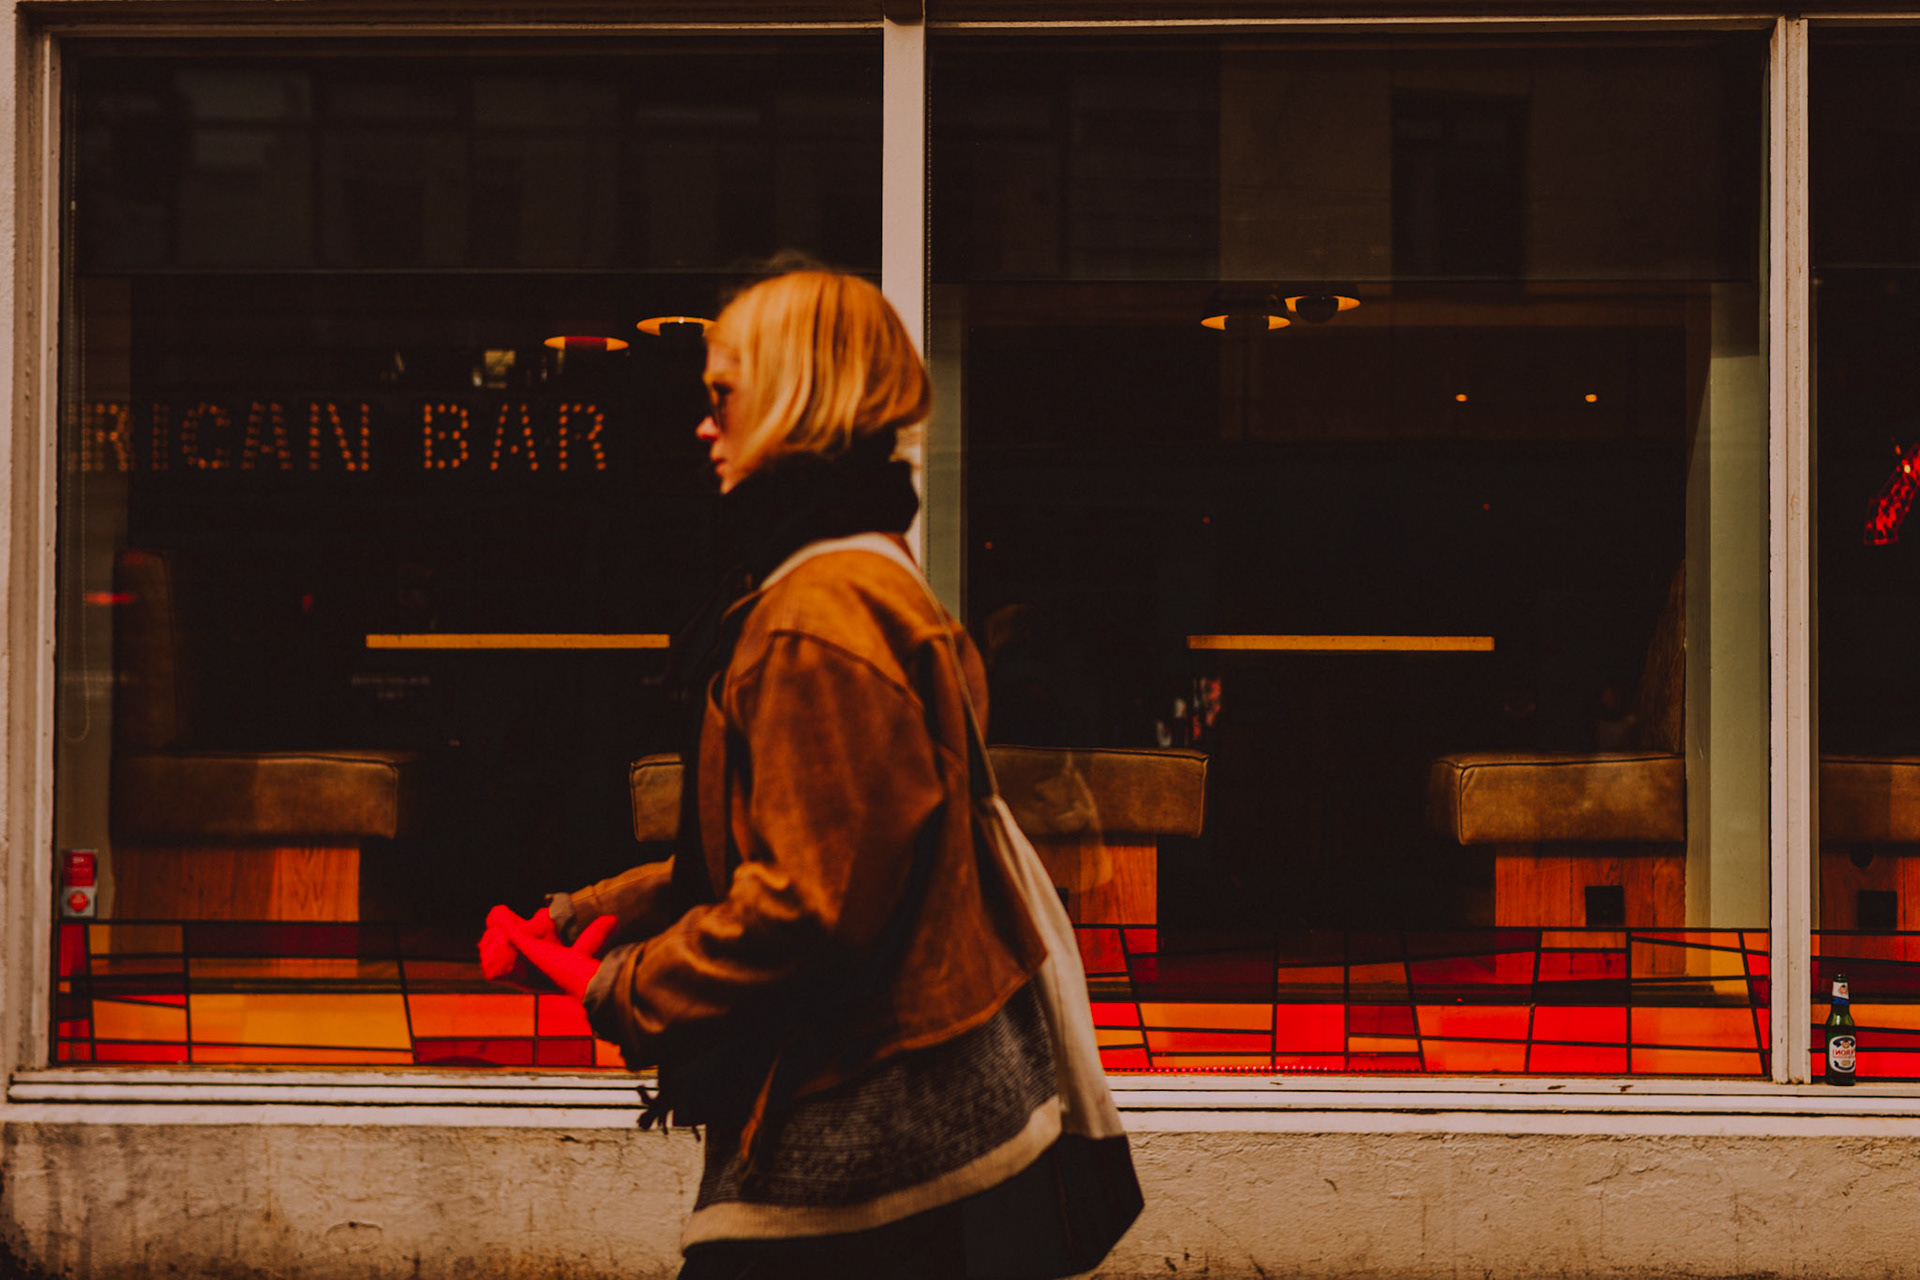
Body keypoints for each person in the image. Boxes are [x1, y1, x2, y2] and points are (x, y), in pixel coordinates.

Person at [479, 267, 1140, 1280]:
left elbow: (805, 900)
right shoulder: (872, 578)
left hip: (859, 1133)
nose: (705, 427)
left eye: (723, 395)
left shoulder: (815, 617)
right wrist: (584, 913)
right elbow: (827, 838)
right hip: (917, 1115)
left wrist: (619, 984)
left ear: (796, 400)